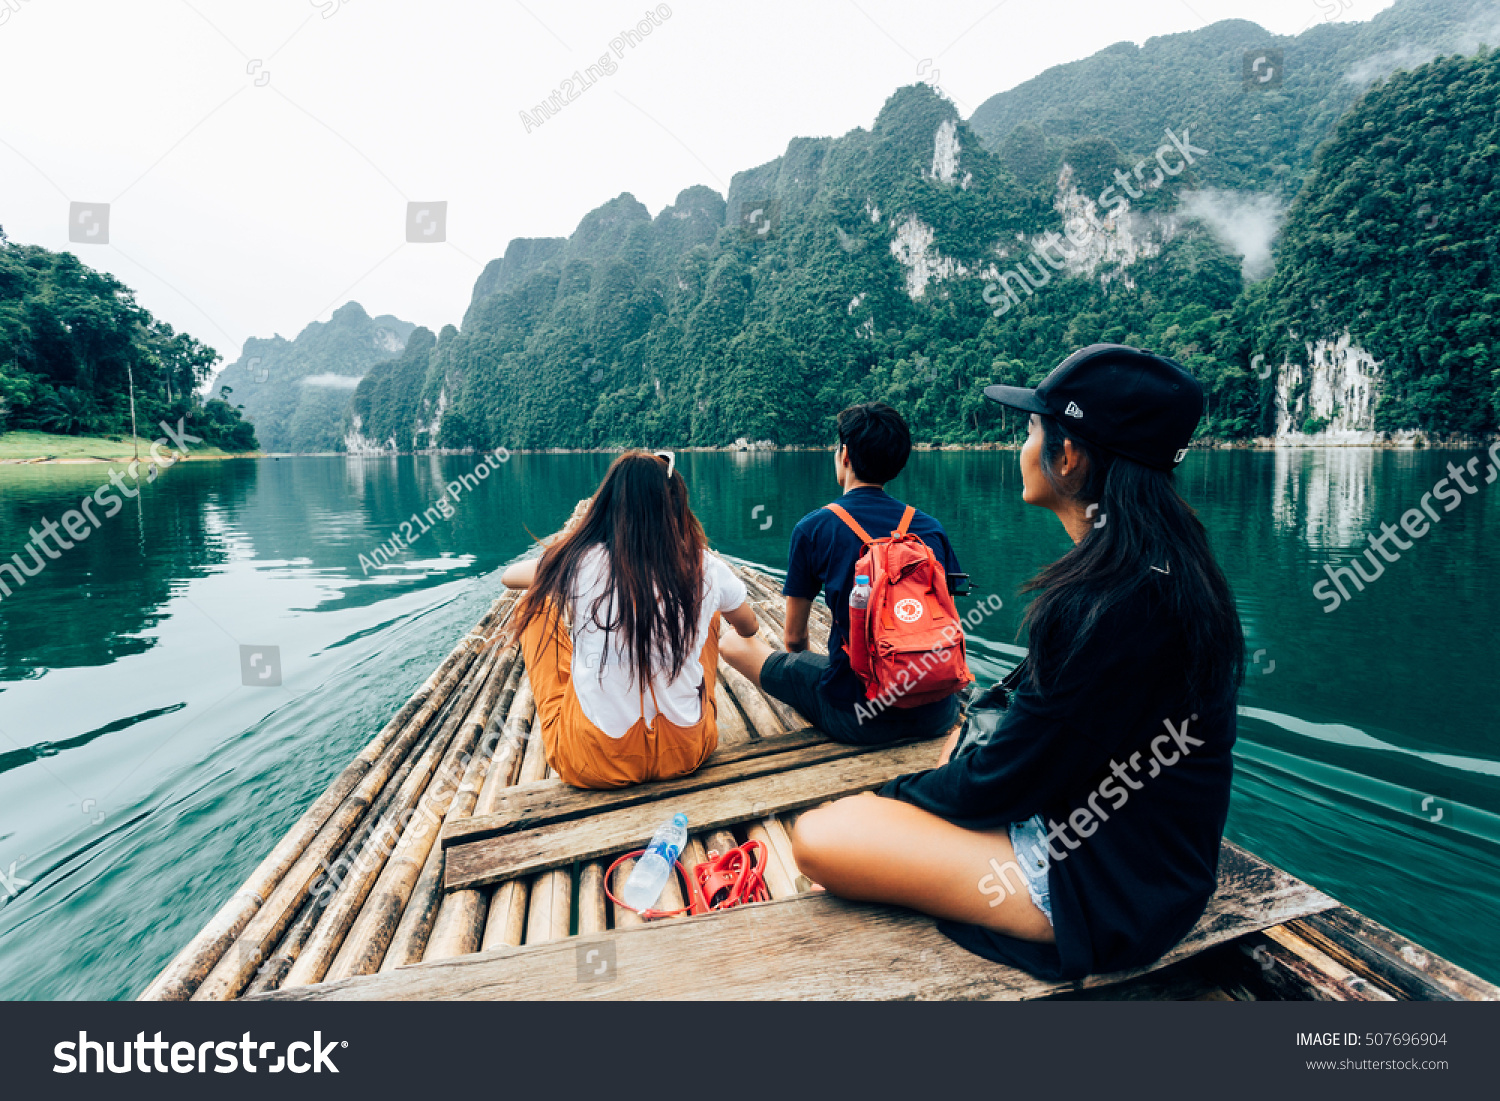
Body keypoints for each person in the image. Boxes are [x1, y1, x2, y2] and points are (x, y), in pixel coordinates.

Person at [789, 345, 1245, 979]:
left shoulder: (1101, 603)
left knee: (821, 836)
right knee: (930, 774)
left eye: (1032, 429)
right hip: (1159, 869)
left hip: (1100, 893)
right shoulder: (1181, 568)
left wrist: (889, 798)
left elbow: (999, 782)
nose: (1021, 446)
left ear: (1068, 456)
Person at [501, 450, 761, 789]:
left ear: (608, 507)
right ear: (675, 507)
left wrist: (567, 554)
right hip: (685, 753)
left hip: (597, 764)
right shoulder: (704, 567)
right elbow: (750, 626)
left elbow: (510, 576)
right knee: (710, 615)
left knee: (531, 608)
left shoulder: (580, 563)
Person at [719, 402, 966, 745]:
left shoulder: (815, 527)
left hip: (857, 718)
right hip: (937, 712)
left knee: (732, 643)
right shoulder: (930, 529)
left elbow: (793, 640)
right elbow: (945, 619)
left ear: (845, 455)